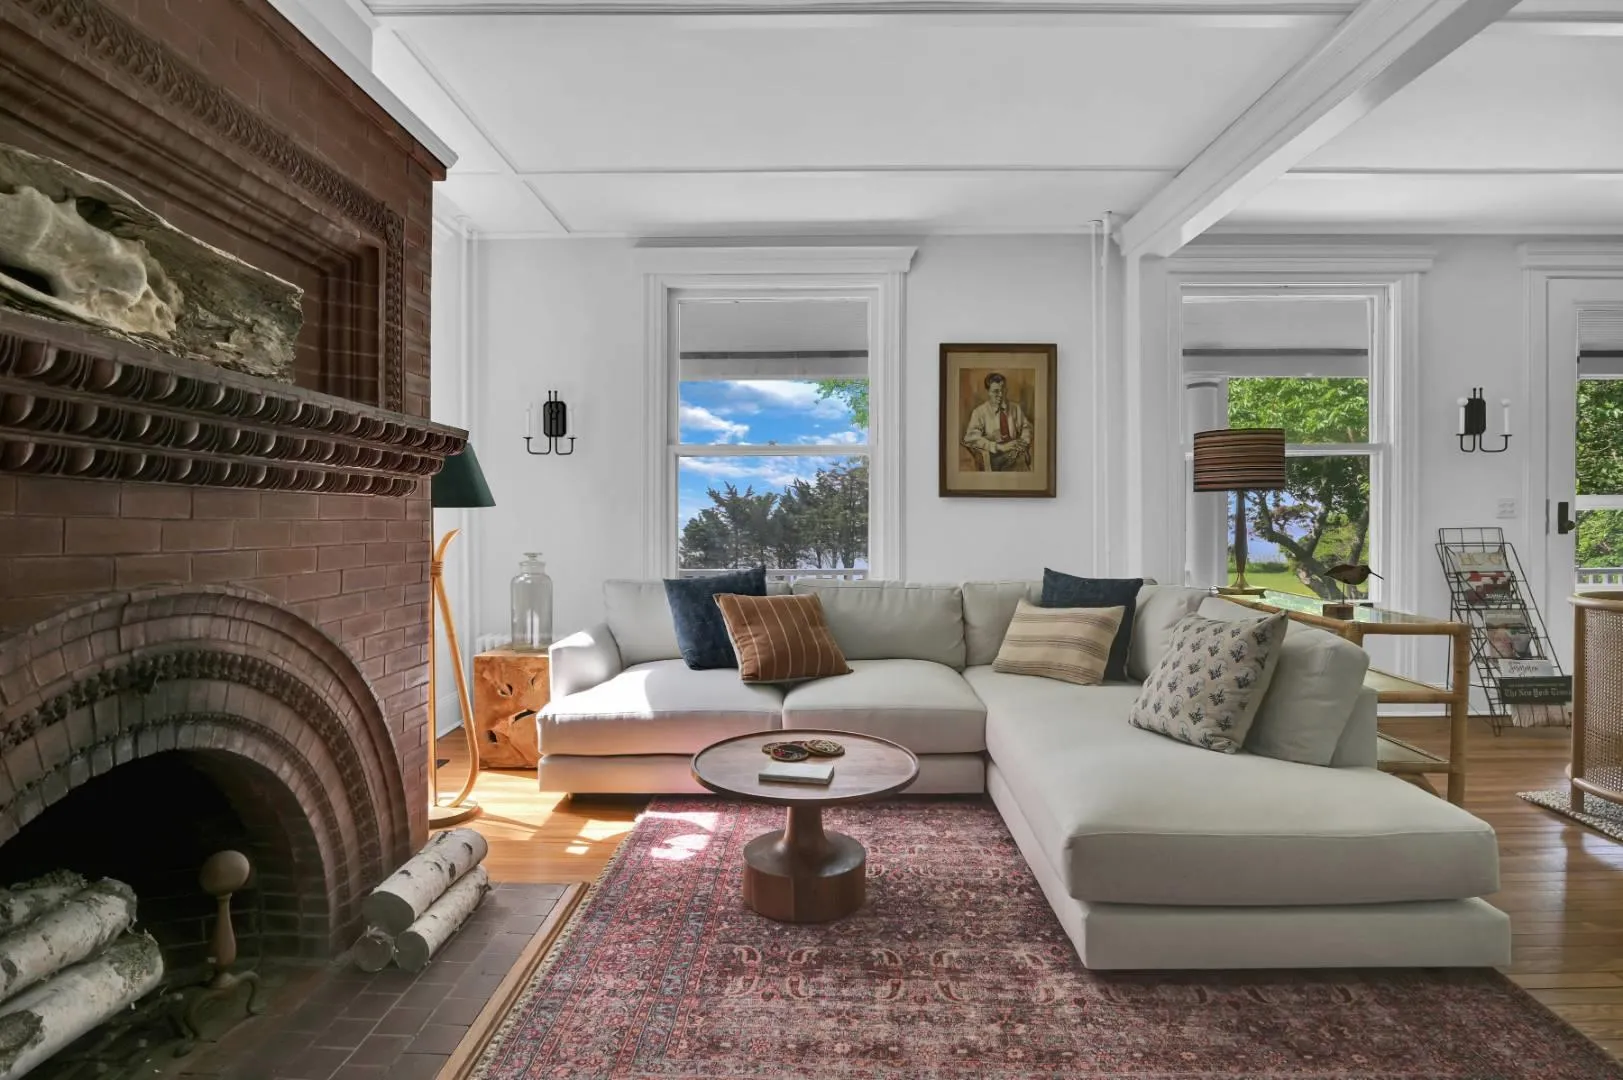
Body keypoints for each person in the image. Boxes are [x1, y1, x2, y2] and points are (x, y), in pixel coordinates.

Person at [961, 372, 1033, 471]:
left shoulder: (1015, 408)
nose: (1000, 395)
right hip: (993, 456)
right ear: (988, 392)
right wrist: (999, 447)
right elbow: (970, 437)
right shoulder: (979, 412)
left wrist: (1021, 445)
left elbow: (1026, 428)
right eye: (996, 391)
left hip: (1015, 453)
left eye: (1003, 390)